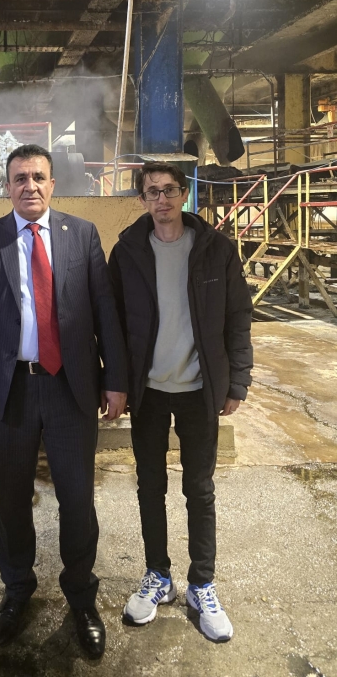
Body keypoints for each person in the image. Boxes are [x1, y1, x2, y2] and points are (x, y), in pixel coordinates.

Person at [0, 143, 127, 660]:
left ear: (53, 184)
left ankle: (82, 597)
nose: (29, 185)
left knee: (77, 498)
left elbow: (104, 309)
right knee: (12, 499)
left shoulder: (82, 235)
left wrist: (115, 379)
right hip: (10, 388)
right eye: (19, 178)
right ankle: (17, 590)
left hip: (70, 387)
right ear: (7, 187)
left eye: (38, 177)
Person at [107, 161, 253, 643]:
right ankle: (158, 575)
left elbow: (238, 317)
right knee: (150, 487)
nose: (162, 199)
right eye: (153, 191)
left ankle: (202, 583)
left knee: (200, 489)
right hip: (148, 392)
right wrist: (116, 382)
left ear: (184, 194)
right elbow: (111, 323)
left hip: (198, 390)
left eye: (170, 190)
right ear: (142, 199)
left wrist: (237, 381)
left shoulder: (215, 249)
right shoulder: (127, 252)